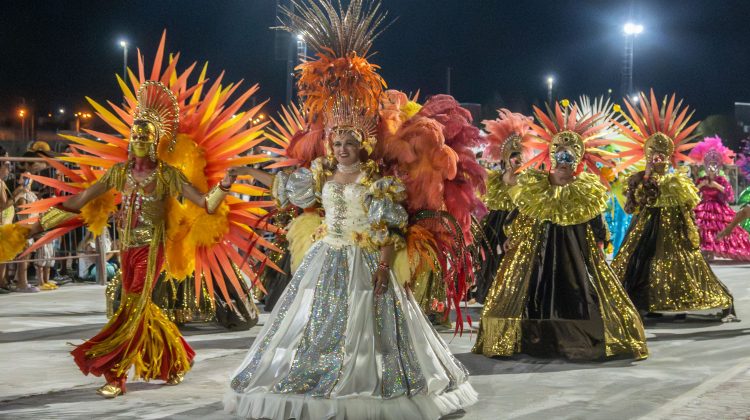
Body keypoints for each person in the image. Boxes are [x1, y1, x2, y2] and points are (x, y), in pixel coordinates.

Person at [225, 2, 477, 418]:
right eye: (337, 142)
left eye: (349, 142)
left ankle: (372, 382)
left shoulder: (377, 182)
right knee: (319, 324)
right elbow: (284, 187)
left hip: (367, 259)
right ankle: (323, 375)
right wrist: (243, 171)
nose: (342, 149)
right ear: (330, 145)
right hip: (326, 255)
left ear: (361, 144)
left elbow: (391, 227)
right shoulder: (320, 176)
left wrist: (383, 267)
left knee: (373, 329)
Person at [472, 102, 648, 361]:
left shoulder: (585, 188)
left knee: (577, 292)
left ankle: (575, 338)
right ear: (553, 156)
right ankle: (532, 338)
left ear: (578, 159)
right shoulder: (536, 185)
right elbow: (521, 213)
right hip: (537, 253)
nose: (565, 161)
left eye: (570, 156)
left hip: (575, 254)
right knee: (531, 291)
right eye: (560, 154)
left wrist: (600, 244)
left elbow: (595, 221)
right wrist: (512, 237)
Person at [611, 91, 735, 321]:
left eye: (661, 154)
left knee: (676, 264)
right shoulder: (639, 178)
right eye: (653, 154)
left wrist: (691, 229)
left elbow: (688, 207)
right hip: (647, 229)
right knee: (647, 262)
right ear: (647, 155)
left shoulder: (677, 179)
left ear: (669, 155)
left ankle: (678, 302)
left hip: (675, 229)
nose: (657, 158)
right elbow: (633, 206)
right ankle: (647, 301)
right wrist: (646, 177)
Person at [474, 109, 532, 303]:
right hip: (495, 226)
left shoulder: (530, 181)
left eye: (519, 155)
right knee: (491, 262)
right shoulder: (495, 180)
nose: (516, 159)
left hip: (520, 223)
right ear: (504, 157)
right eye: (512, 155)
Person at [689, 136, 750, 260]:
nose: (712, 167)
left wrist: (717, 186)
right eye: (709, 165)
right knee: (702, 226)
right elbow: (693, 194)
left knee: (719, 227)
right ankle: (704, 250)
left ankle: (714, 249)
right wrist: (700, 185)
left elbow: (730, 196)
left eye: (714, 164)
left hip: (718, 208)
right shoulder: (702, 179)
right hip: (703, 206)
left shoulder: (721, 180)